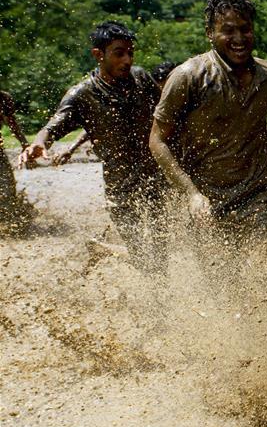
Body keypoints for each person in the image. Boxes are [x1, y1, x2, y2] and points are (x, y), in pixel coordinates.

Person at [149, 0, 267, 283]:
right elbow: (157, 140)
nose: (239, 38)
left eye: (245, 29)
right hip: (207, 202)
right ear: (209, 33)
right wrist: (191, 194)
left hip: (257, 194)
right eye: (228, 31)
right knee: (224, 288)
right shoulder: (188, 76)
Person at [17, 22, 167, 273]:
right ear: (99, 55)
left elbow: (166, 113)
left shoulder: (141, 78)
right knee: (141, 253)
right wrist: (38, 144)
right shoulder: (82, 95)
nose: (127, 60)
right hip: (120, 186)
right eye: (119, 53)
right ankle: (155, 297)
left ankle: (166, 296)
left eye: (131, 53)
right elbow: (52, 127)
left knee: (162, 248)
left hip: (154, 176)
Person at [1, 91, 33, 232]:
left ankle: (11, 222)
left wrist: (26, 146)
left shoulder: (3, 98)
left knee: (7, 187)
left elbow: (12, 123)